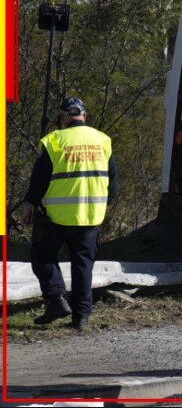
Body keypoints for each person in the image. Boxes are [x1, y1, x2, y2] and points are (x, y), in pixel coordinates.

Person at [20, 97, 117, 331]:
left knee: (43, 257)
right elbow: (113, 182)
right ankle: (81, 318)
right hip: (91, 215)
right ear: (85, 115)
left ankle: (56, 300)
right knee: (83, 265)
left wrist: (29, 204)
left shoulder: (55, 141)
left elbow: (39, 179)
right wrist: (106, 203)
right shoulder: (103, 141)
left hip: (57, 216)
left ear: (63, 118)